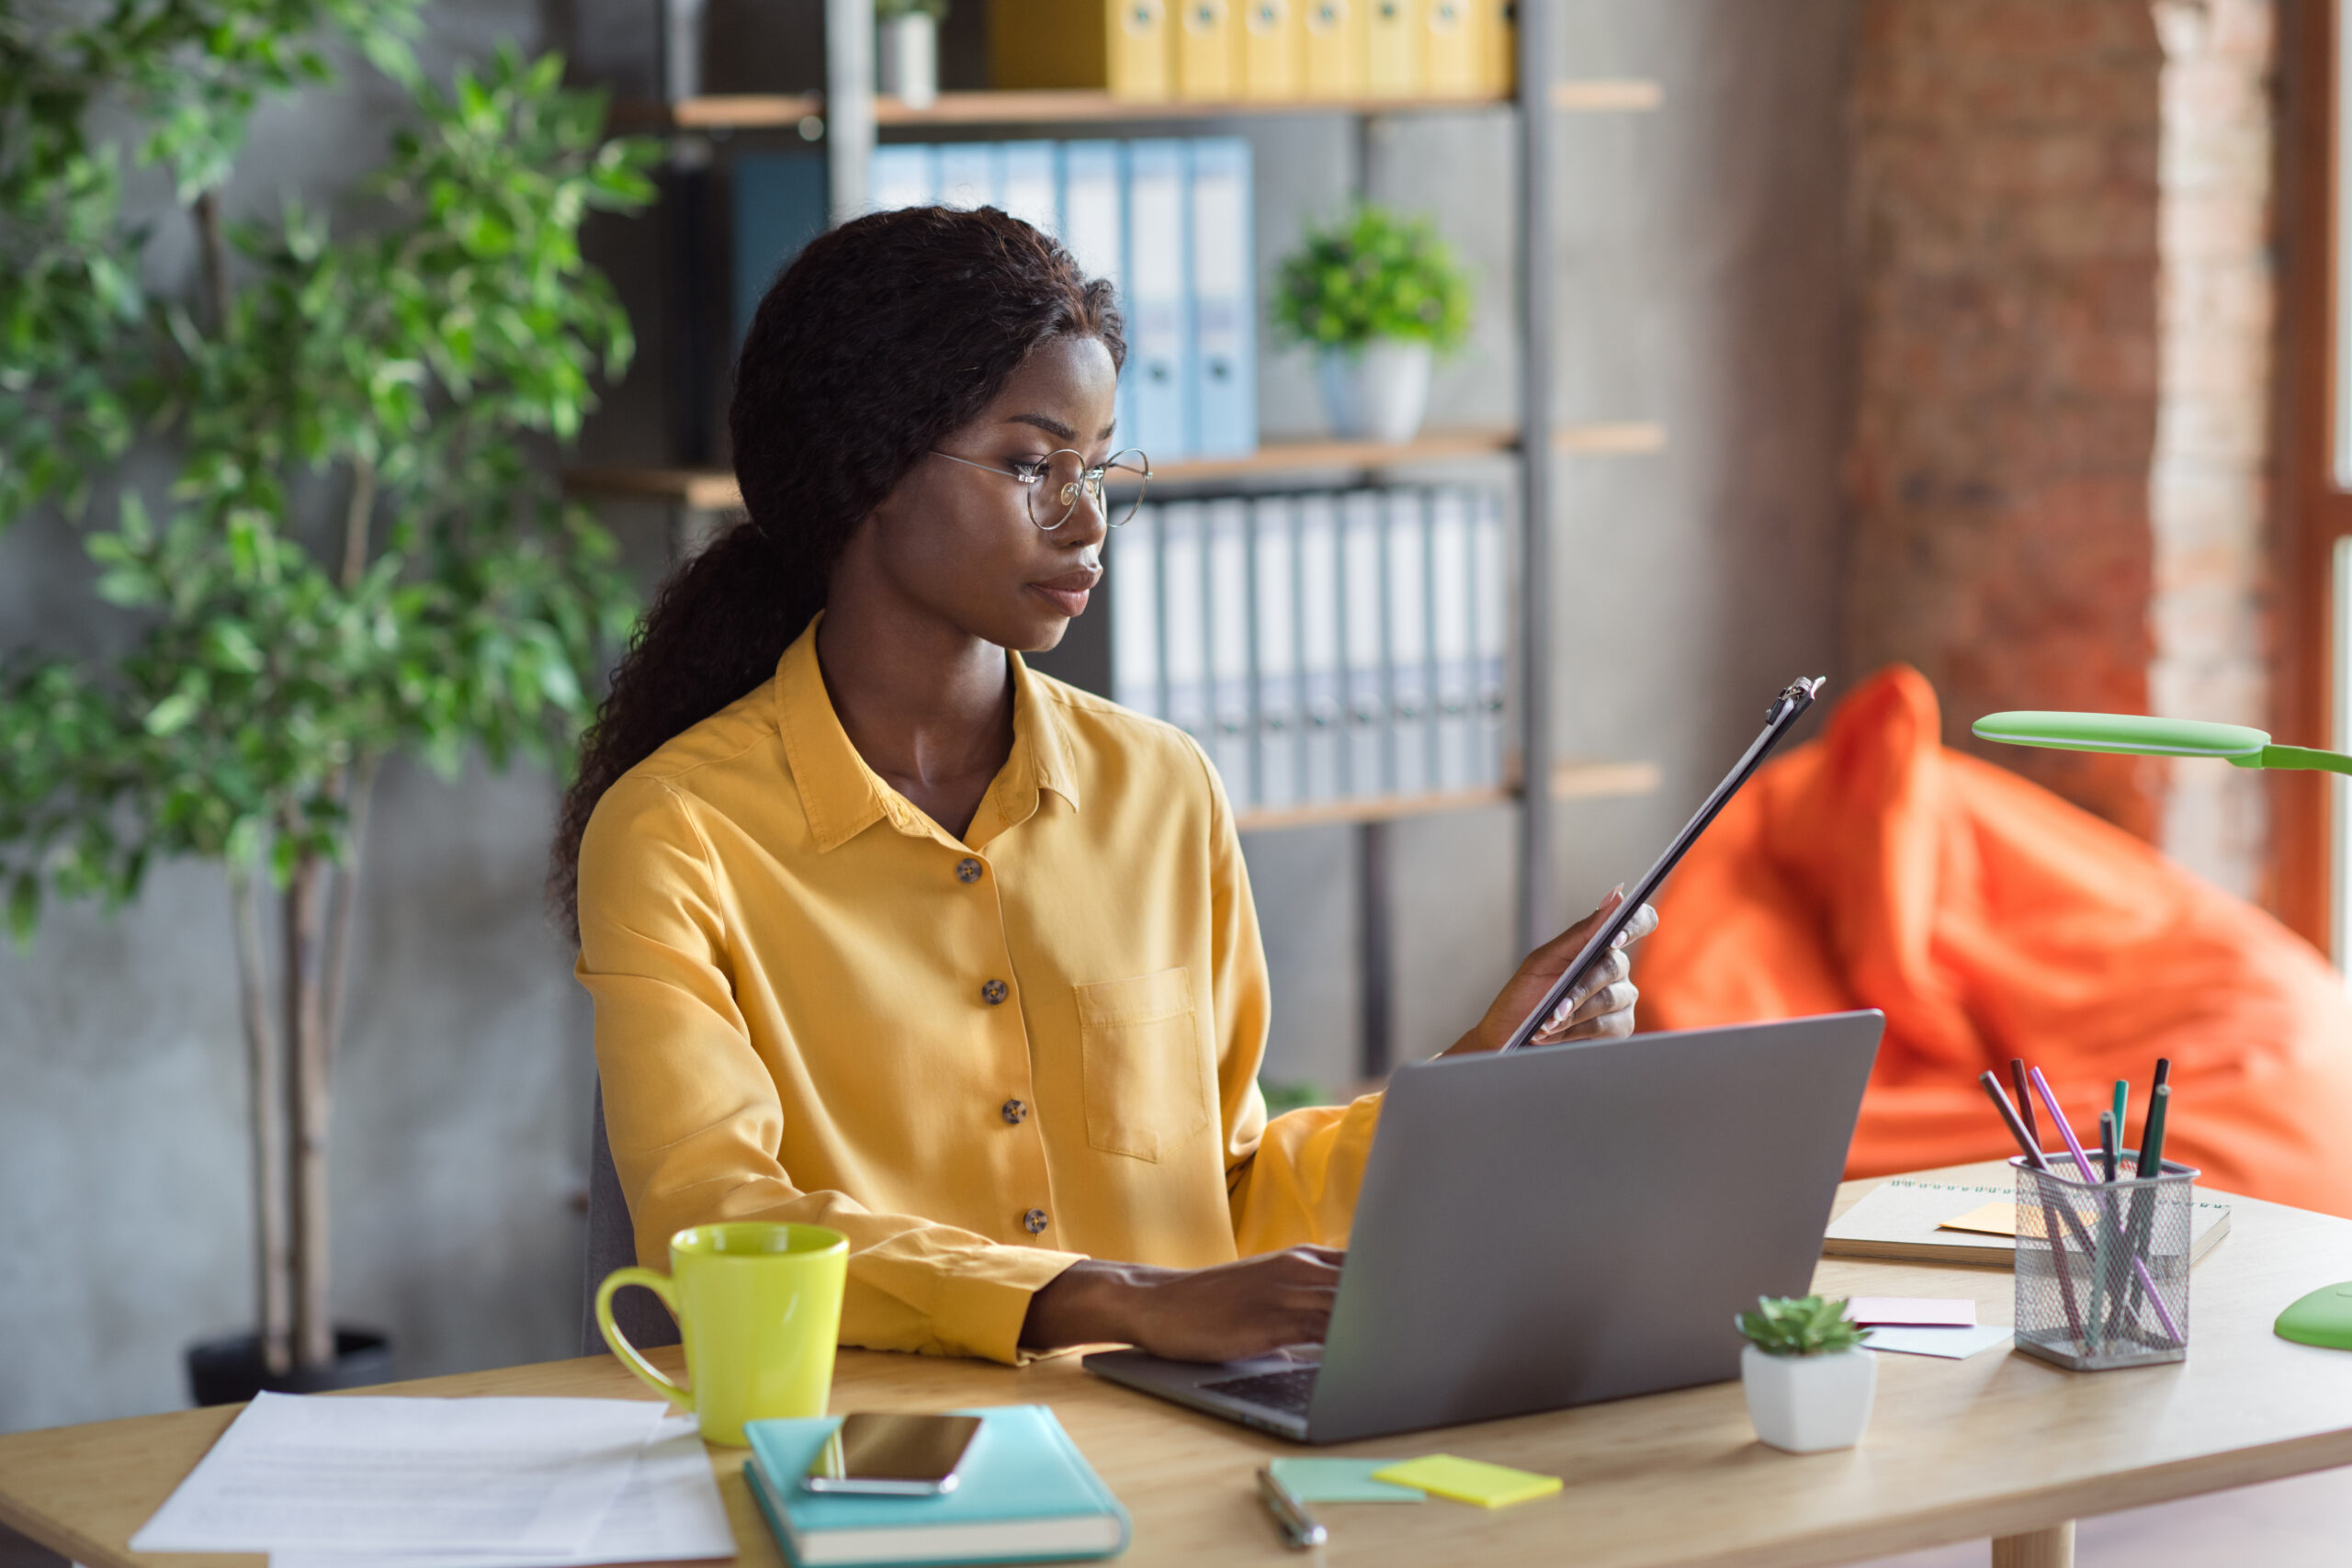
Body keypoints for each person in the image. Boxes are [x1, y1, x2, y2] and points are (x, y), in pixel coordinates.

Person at [551, 205, 1656, 1367]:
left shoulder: (1163, 789)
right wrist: (1111, 1300)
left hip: (1181, 1453)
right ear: (864, 464)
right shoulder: (677, 833)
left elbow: (1228, 1194)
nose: (1088, 523)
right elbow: (716, 1224)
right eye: (1033, 466)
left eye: (1098, 468)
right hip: (869, 1465)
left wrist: (1488, 1076)